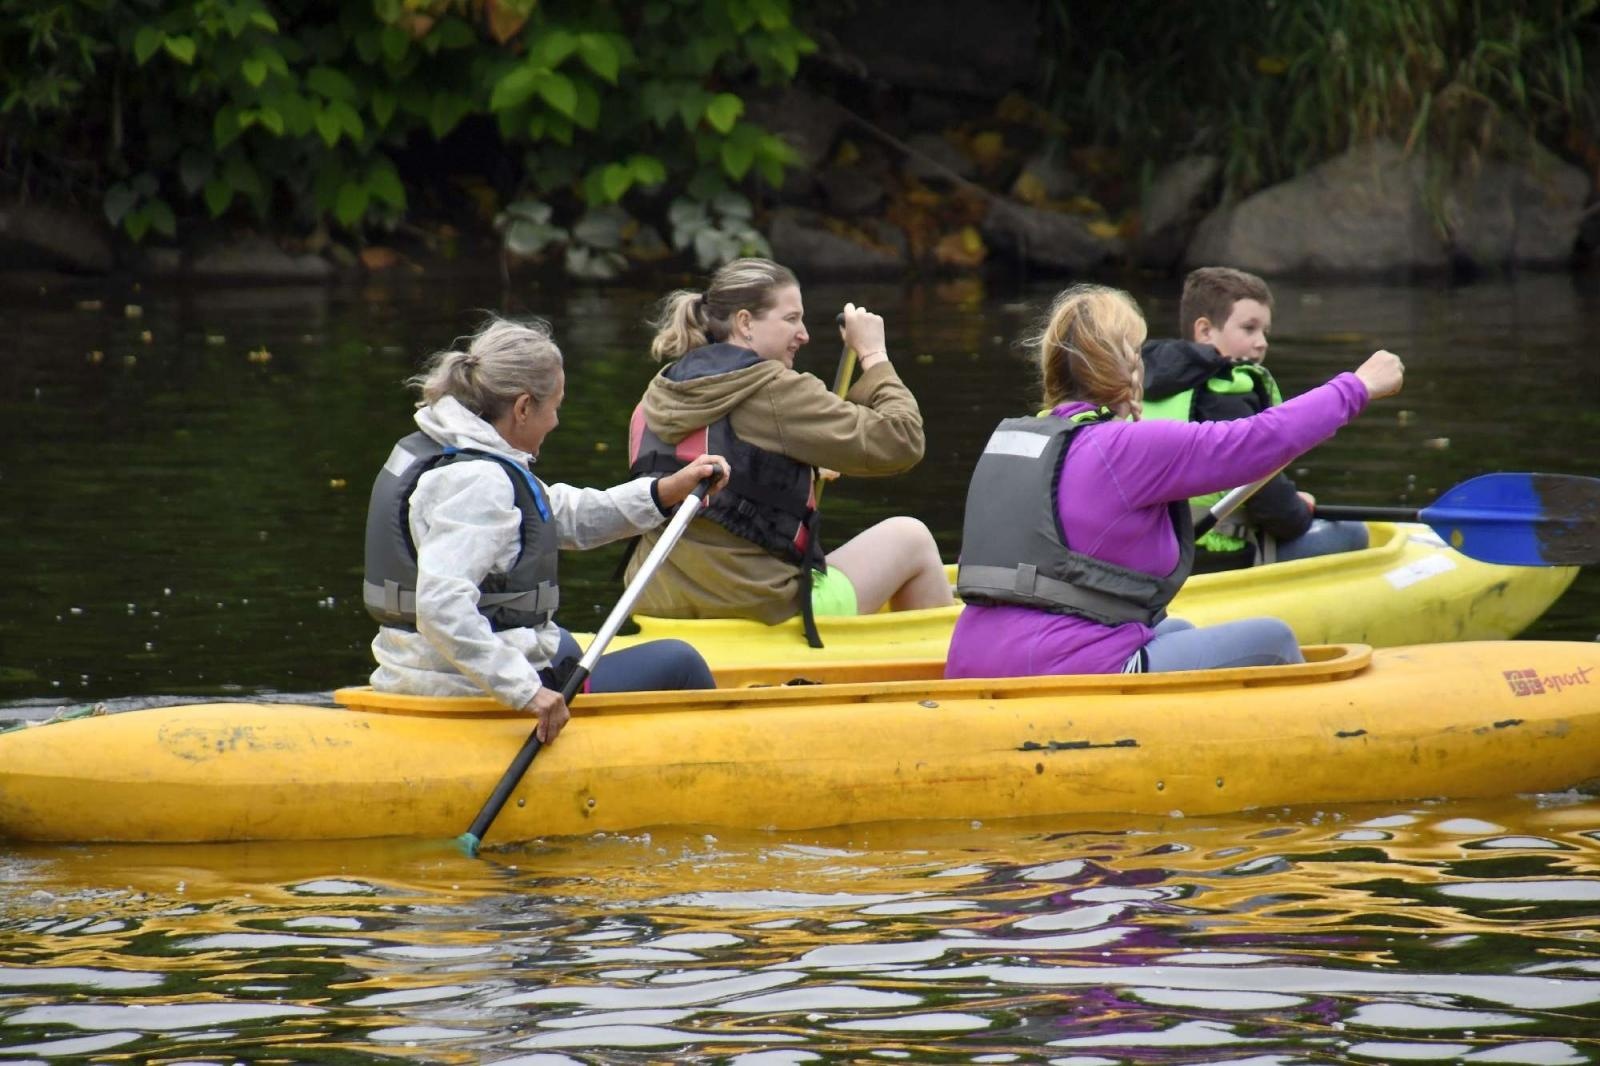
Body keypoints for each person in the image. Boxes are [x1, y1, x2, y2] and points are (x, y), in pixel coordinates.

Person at [946, 284, 1404, 679]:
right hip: (1067, 670)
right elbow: (1259, 440)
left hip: (970, 660)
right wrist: (1358, 386)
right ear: (1127, 365)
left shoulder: (1012, 445)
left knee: (1174, 630)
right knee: (1275, 638)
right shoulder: (1124, 448)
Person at [365, 315, 731, 746]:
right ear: (523, 408)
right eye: (555, 406)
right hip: (462, 690)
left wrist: (665, 491)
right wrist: (527, 692)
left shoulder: (447, 448)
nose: (556, 421)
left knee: (565, 646)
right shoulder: (478, 481)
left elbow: (563, 515)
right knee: (679, 662)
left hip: (416, 667)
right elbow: (441, 606)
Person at [625, 257, 952, 646]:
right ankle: (942, 674)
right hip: (753, 603)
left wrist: (804, 470)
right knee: (912, 538)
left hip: (656, 597)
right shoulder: (776, 390)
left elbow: (726, 470)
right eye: (792, 319)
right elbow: (902, 440)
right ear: (745, 323)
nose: (804, 334)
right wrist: (873, 355)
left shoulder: (658, 395)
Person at [1140, 266, 1370, 569]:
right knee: (1353, 532)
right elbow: (1276, 512)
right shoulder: (1227, 391)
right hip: (1216, 558)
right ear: (1205, 331)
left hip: (1149, 556)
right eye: (1249, 329)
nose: (1262, 342)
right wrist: (1298, 510)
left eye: (1265, 332)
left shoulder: (1139, 383)